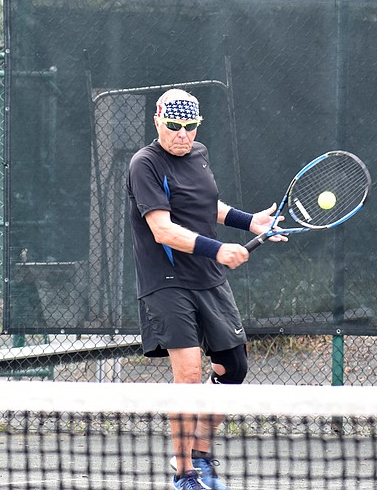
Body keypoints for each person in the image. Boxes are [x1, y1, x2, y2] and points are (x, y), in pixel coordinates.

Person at [126, 88, 287, 490]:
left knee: (233, 369)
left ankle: (200, 453)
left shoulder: (199, 153)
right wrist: (220, 249)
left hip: (207, 280)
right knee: (189, 373)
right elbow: (162, 228)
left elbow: (203, 204)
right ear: (158, 121)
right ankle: (185, 475)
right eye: (174, 126)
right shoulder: (144, 164)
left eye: (190, 126)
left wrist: (250, 222)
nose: (182, 134)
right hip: (166, 282)